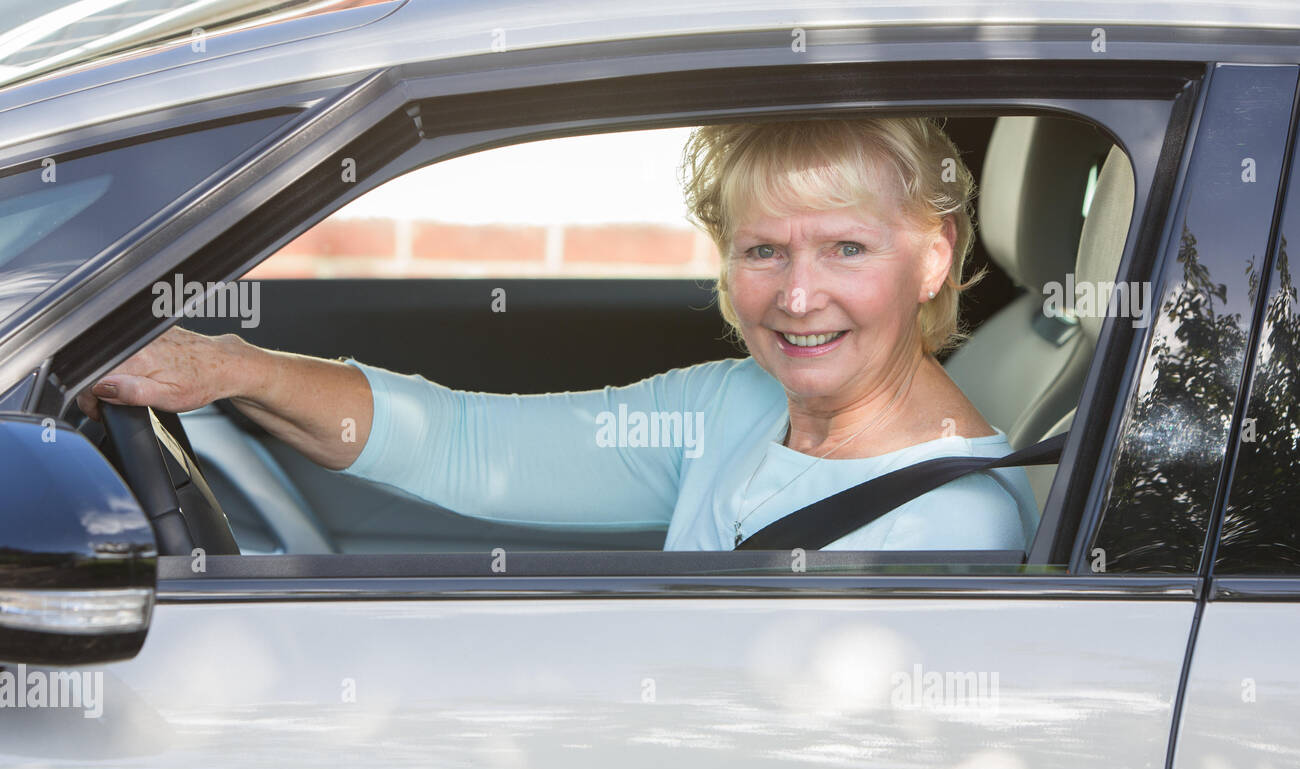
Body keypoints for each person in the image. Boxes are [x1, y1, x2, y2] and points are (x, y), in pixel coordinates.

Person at [77, 117, 1039, 552]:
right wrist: (232, 368)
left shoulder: (949, 527)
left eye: (844, 248)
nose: (796, 295)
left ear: (931, 257)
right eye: (762, 250)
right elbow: (465, 444)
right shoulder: (732, 407)